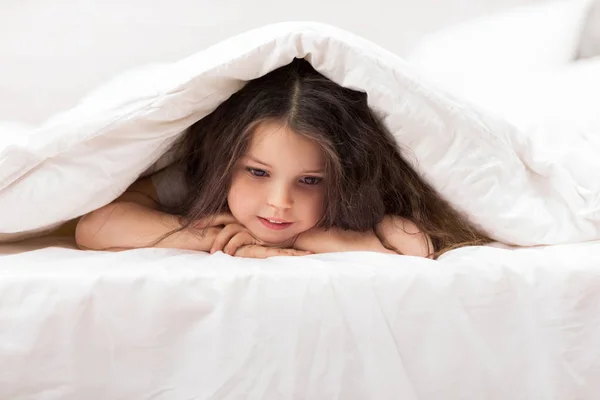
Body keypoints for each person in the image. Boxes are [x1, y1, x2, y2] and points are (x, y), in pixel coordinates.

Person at [75, 58, 491, 259]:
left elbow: (415, 251)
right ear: (229, 160)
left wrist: (305, 238)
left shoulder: (363, 197)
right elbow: (95, 225)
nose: (279, 202)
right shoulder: (205, 173)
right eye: (257, 172)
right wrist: (216, 239)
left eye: (309, 180)